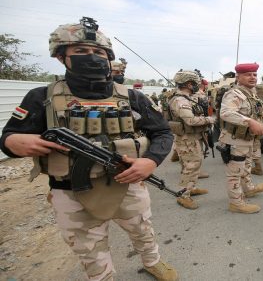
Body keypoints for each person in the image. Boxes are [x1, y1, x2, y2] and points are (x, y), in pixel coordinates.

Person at [0, 17, 178, 281]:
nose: (92, 57)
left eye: (99, 52)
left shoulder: (132, 97)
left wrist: (150, 162)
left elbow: (162, 132)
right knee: (89, 249)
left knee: (142, 229)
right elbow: (10, 136)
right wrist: (13, 142)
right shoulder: (42, 97)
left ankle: (152, 261)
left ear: (108, 58)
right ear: (62, 57)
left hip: (126, 182)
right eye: (81, 51)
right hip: (70, 191)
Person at [218, 63, 263, 213]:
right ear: (238, 77)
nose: (252, 77)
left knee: (246, 167)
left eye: (254, 74)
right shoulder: (234, 94)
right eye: (248, 74)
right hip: (235, 140)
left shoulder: (250, 93)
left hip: (247, 139)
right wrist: (250, 122)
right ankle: (236, 203)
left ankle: (248, 189)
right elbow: (226, 113)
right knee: (234, 172)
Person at [168, 70, 214, 209]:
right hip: (188, 138)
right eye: (195, 84)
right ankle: (184, 195)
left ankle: (190, 188)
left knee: (188, 165)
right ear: (189, 84)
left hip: (192, 136)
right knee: (192, 166)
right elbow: (191, 121)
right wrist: (209, 119)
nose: (197, 86)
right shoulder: (180, 100)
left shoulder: (186, 98)